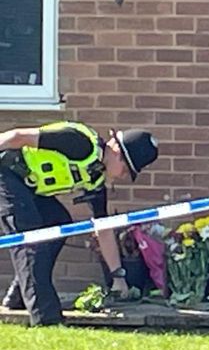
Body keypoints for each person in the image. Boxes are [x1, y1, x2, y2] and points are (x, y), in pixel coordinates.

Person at [0, 120, 159, 325]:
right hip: (6, 173)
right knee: (31, 241)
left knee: (58, 224)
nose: (123, 176)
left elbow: (103, 228)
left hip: (28, 187)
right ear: (118, 152)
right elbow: (17, 137)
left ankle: (19, 295)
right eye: (127, 170)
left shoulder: (95, 179)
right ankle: (46, 320)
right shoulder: (79, 142)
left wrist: (118, 277)